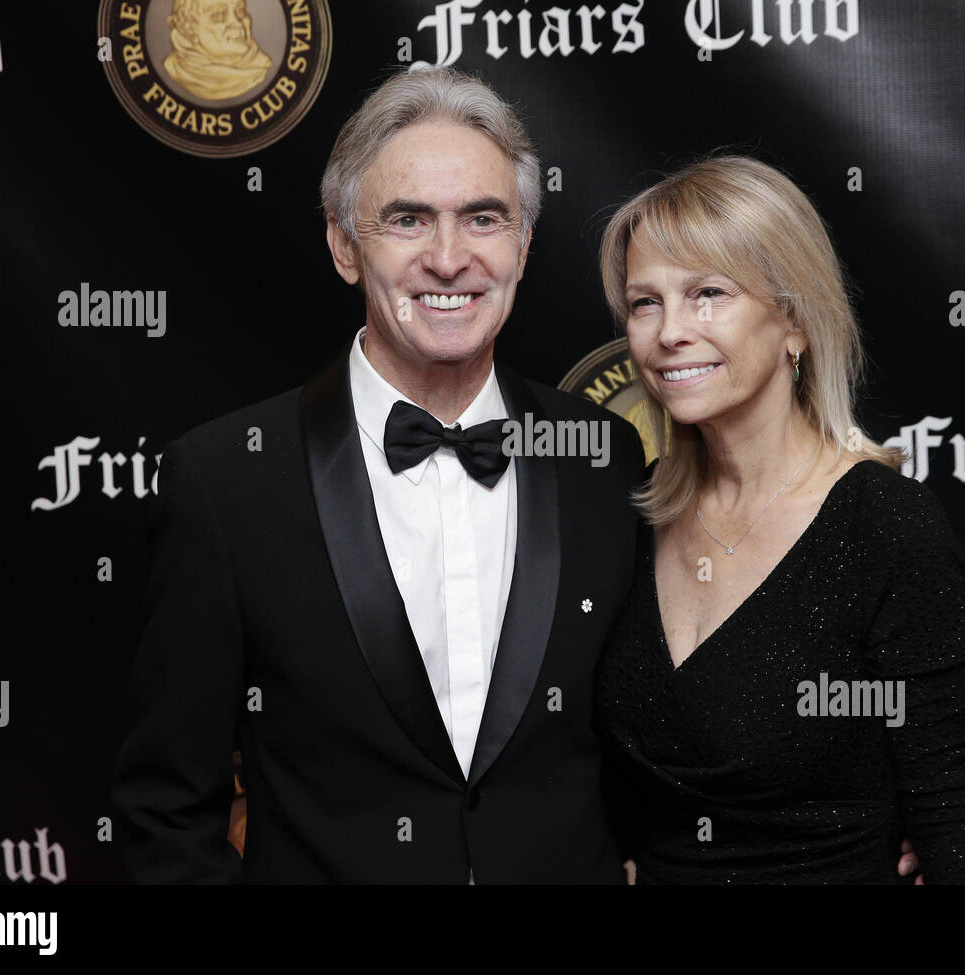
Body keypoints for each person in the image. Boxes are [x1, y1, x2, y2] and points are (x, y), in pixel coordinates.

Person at [110, 66, 645, 883]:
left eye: (483, 218)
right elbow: (165, 810)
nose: (448, 257)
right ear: (343, 245)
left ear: (523, 244)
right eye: (407, 219)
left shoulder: (603, 456)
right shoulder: (223, 481)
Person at [593, 156, 965, 883]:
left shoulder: (885, 524)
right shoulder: (630, 511)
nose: (669, 331)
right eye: (645, 302)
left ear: (796, 323)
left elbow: (951, 824)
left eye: (708, 292)